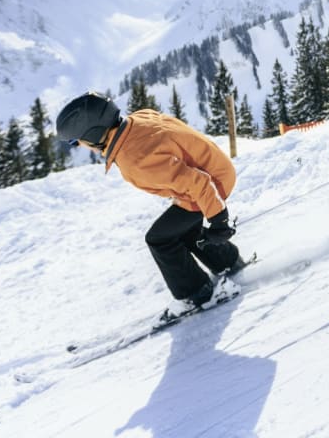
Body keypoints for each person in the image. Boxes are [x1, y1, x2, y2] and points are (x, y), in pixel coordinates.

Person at [55, 92, 247, 319]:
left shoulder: (134, 158)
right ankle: (227, 262)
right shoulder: (138, 119)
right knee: (181, 228)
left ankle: (198, 293)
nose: (80, 146)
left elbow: (199, 182)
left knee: (160, 239)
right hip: (215, 166)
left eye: (77, 141)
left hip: (212, 182)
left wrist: (218, 219)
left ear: (93, 134)